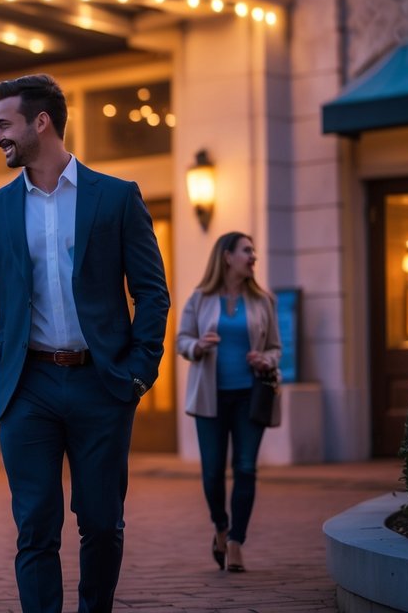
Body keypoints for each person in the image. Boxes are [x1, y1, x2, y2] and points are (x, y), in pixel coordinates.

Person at [0, 74, 170, 613]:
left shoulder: (117, 198)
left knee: (102, 523)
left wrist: (139, 370)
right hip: (26, 386)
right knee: (35, 524)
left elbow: (152, 292)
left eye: (3, 124)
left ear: (42, 122)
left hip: (102, 383)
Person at [176, 231, 281, 573]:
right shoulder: (200, 298)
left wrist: (267, 360)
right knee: (211, 474)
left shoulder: (264, 299)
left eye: (254, 251)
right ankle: (220, 527)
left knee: (246, 468)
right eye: (247, 251)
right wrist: (199, 347)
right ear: (227, 256)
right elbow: (182, 341)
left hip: (250, 397)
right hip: (210, 399)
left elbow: (277, 348)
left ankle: (236, 541)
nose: (253, 257)